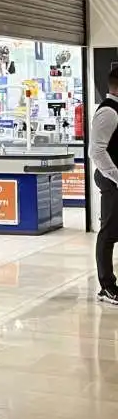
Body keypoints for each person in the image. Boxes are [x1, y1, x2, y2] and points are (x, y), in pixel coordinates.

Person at [90, 66, 118, 305]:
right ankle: (107, 286)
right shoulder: (108, 112)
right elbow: (96, 152)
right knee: (109, 232)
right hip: (112, 182)